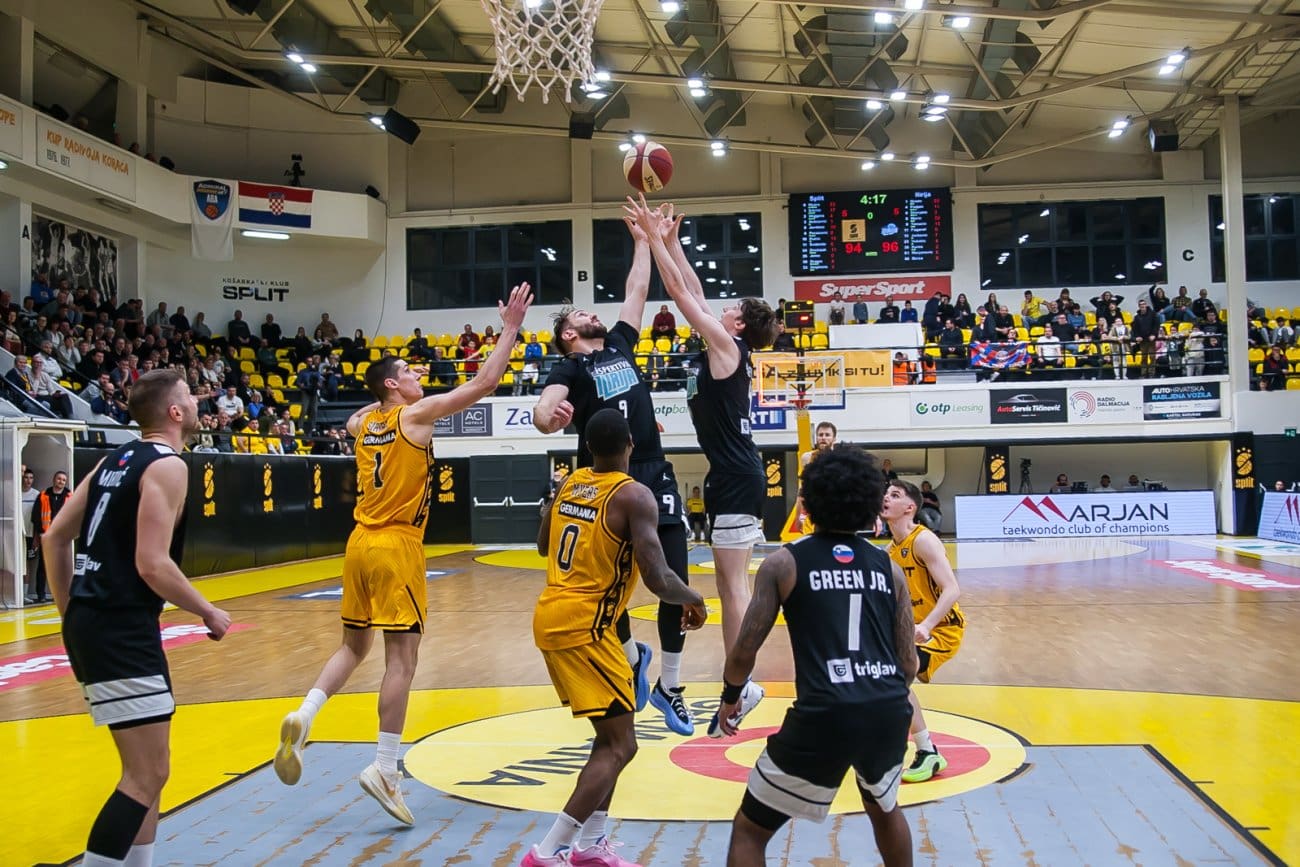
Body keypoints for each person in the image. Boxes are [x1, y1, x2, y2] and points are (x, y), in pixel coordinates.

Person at [272, 284, 532, 825]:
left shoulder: (360, 425)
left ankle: (306, 713)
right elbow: (484, 382)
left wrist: (382, 394)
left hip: (358, 545)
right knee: (402, 661)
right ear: (393, 385)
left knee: (353, 646)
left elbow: (363, 411)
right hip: (397, 545)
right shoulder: (415, 418)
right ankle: (386, 769)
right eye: (409, 373)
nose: (419, 377)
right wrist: (510, 327)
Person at [42, 369, 232, 867]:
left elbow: (54, 538)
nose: (198, 402)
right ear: (175, 412)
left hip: (100, 622)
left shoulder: (112, 460)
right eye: (189, 396)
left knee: (150, 770)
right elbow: (152, 564)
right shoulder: (169, 466)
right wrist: (208, 610)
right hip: (120, 626)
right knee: (145, 775)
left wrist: (71, 611)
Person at [716, 446, 918, 867]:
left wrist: (731, 696)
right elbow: (909, 664)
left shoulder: (784, 564)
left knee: (750, 831)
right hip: (887, 708)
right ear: (870, 505)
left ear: (806, 504)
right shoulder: (890, 569)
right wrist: (875, 698)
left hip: (825, 712)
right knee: (884, 809)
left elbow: (744, 651)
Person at [521, 410, 707, 867]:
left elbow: (543, 545)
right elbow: (658, 577)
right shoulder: (634, 495)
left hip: (556, 615)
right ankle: (548, 851)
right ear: (631, 444)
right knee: (622, 745)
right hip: (585, 626)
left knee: (610, 739)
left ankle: (590, 845)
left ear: (587, 447)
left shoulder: (569, 483)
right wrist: (693, 597)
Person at [533, 207, 693, 735]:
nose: (591, 315)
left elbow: (637, 290)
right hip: (602, 480)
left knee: (673, 576)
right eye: (580, 315)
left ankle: (671, 685)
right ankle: (630, 657)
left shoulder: (620, 342)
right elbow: (543, 410)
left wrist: (643, 240)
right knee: (608, 581)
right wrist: (549, 418)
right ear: (568, 335)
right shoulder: (569, 366)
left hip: (650, 467)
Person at [632, 197, 780, 736]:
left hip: (737, 476)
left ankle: (741, 687)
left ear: (737, 322)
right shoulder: (726, 345)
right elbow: (692, 288)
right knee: (727, 584)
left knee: (735, 588)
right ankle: (741, 686)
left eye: (729, 306)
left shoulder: (727, 346)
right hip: (729, 475)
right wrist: (673, 241)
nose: (719, 308)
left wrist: (652, 240)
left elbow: (680, 294)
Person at [881, 480, 964, 784]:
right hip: (910, 630)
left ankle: (927, 751)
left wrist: (927, 625)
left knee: (895, 677)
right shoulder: (890, 551)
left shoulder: (923, 541)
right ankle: (916, 746)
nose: (886, 498)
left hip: (942, 630)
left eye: (895, 495)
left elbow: (952, 589)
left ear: (910, 507)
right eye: (885, 494)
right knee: (882, 677)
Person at [31, 470, 72, 603]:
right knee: (43, 566)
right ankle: (41, 595)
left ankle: (59, 595)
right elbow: (36, 517)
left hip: (62, 537)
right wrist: (37, 536)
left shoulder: (70, 496)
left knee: (61, 567)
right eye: (59, 479)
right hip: (46, 536)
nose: (61, 481)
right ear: (54, 480)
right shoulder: (43, 495)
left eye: (63, 480)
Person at [20, 467, 39, 604]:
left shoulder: (36, 494)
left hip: (30, 533)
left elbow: (38, 517)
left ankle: (24, 594)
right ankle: (15, 593)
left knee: (27, 564)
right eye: (26, 477)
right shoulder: (16, 493)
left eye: (31, 478)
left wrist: (37, 536)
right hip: (17, 534)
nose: (28, 480)